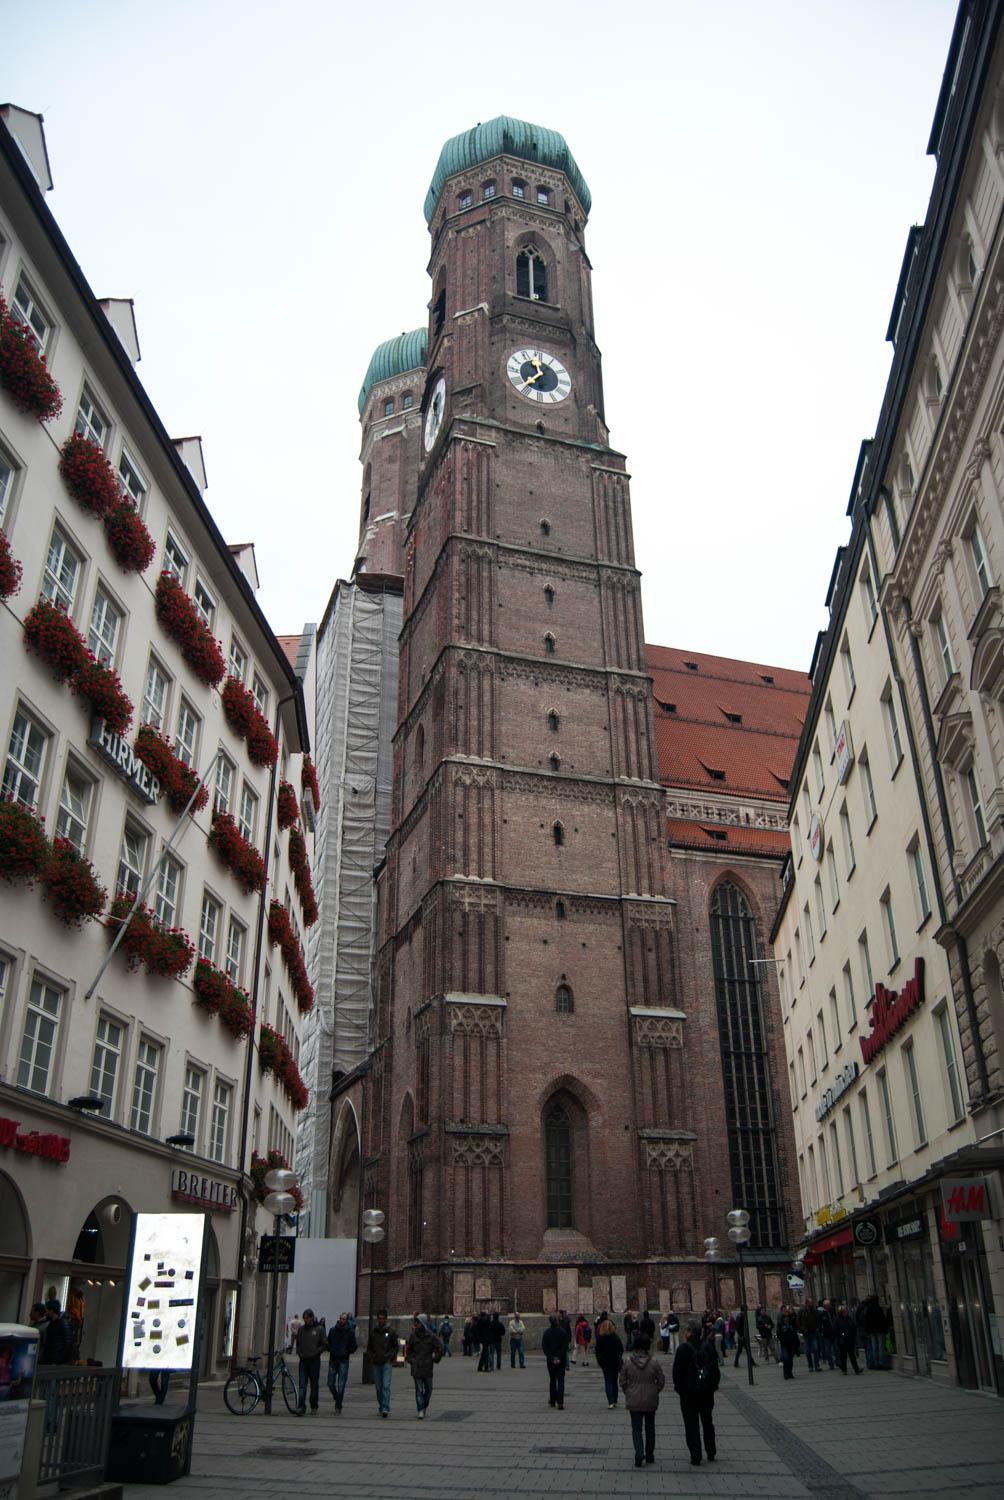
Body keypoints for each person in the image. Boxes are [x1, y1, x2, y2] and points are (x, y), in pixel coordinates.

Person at [672, 1318, 717, 1467]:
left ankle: (696, 1455)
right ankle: (711, 1451)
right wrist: (712, 1387)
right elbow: (715, 1370)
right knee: (707, 1421)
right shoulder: (708, 1347)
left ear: (690, 1332)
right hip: (706, 1392)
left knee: (691, 1425)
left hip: (689, 1394)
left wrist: (681, 1390)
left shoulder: (683, 1349)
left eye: (686, 1330)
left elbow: (676, 1374)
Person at [621, 1332, 665, 1469]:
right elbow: (661, 1381)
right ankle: (650, 1455)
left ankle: (639, 1453)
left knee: (636, 1429)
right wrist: (654, 1390)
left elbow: (622, 1381)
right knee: (650, 1428)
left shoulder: (628, 1362)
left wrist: (628, 1391)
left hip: (634, 1400)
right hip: (650, 1400)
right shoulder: (654, 1362)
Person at [405, 1314, 443, 1418]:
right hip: (417, 1366)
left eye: (417, 1322)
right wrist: (412, 1360)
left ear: (422, 1323)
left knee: (429, 1389)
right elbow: (409, 1351)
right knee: (419, 1390)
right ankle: (420, 1409)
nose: (415, 1324)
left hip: (427, 1366)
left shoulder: (430, 1336)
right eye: (415, 1322)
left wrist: (436, 1359)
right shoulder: (413, 1336)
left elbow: (440, 1347)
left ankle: (424, 1405)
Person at [365, 1308, 398, 1417]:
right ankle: (381, 1405)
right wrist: (371, 1357)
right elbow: (369, 1347)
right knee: (378, 1387)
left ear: (386, 1319)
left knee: (385, 1385)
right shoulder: (373, 1332)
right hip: (376, 1362)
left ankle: (385, 1407)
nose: (381, 1321)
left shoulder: (391, 1332)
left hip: (387, 1362)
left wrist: (391, 1357)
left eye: (383, 1319)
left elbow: (395, 1346)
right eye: (379, 1319)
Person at [294, 1308, 326, 1415]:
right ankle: (301, 1406)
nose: (305, 1320)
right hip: (303, 1360)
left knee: (314, 1384)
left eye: (307, 1318)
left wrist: (316, 1352)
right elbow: (298, 1343)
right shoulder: (302, 1330)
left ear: (312, 1318)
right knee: (302, 1385)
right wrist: (299, 1353)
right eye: (304, 1319)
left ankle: (314, 1405)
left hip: (314, 1361)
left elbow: (324, 1344)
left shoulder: (319, 1329)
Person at [327, 1312, 357, 1412]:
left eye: (344, 1319)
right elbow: (328, 1342)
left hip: (344, 1360)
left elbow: (354, 1346)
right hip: (333, 1359)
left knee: (341, 1385)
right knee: (330, 1383)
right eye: (340, 1318)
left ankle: (338, 1405)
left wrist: (347, 1351)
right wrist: (331, 1349)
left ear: (347, 1320)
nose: (341, 1320)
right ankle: (337, 1398)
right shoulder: (332, 1330)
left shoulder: (350, 1332)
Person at [594, 1313, 623, 1408]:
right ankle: (615, 1399)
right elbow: (621, 1349)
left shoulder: (600, 1338)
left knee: (608, 1381)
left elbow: (597, 1352)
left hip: (605, 1363)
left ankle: (610, 1401)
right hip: (615, 1362)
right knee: (614, 1381)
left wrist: (600, 1362)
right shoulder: (616, 1337)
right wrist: (618, 1357)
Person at [541, 1312, 569, 1409]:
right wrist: (559, 1357)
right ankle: (560, 1402)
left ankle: (553, 1401)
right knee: (560, 1381)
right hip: (561, 1360)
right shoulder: (562, 1332)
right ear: (557, 1321)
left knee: (552, 1380)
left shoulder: (547, 1333)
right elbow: (565, 1346)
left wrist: (552, 1357)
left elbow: (545, 1347)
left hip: (551, 1361)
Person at [39, 1300, 74, 1365]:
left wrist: (58, 1360)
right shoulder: (51, 1324)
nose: (45, 1313)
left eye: (47, 1311)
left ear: (51, 1311)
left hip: (56, 1362)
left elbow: (68, 1344)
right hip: (50, 1360)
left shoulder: (62, 1323)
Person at [833, 1304, 861, 1375]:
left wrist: (854, 1335)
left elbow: (853, 1327)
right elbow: (836, 1330)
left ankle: (856, 1369)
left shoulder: (849, 1318)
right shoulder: (837, 1319)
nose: (846, 1312)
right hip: (842, 1340)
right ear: (841, 1312)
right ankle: (844, 1370)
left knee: (852, 1355)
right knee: (843, 1356)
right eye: (845, 1311)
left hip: (850, 1340)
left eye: (846, 1311)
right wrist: (842, 1335)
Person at [797, 1297, 821, 1371]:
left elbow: (818, 1320)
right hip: (806, 1333)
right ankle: (810, 1366)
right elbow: (798, 1321)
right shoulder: (801, 1311)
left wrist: (817, 1328)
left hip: (813, 1331)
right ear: (807, 1303)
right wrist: (801, 1329)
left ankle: (816, 1365)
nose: (811, 1304)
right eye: (810, 1303)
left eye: (812, 1303)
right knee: (807, 1350)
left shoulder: (814, 1311)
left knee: (815, 1348)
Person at [777, 1307, 800, 1379]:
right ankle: (785, 1373)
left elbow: (794, 1334)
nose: (787, 1318)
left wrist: (796, 1343)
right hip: (784, 1344)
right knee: (786, 1358)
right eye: (785, 1317)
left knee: (790, 1359)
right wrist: (782, 1340)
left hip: (791, 1344)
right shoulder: (781, 1325)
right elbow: (779, 1334)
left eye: (788, 1317)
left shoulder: (791, 1325)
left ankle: (790, 1372)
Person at [818, 1298, 836, 1370]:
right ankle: (831, 1364)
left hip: (833, 1333)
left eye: (830, 1305)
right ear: (825, 1306)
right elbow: (819, 1324)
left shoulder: (832, 1312)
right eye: (828, 1305)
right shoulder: (822, 1314)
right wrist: (822, 1332)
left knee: (836, 1349)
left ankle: (838, 1362)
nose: (829, 1306)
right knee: (828, 1350)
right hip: (826, 1334)